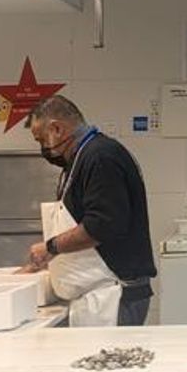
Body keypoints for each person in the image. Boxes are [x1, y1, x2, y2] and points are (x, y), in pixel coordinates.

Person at [23, 95, 156, 326]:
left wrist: (51, 248)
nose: (43, 149)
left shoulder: (101, 158)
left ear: (57, 128)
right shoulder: (81, 158)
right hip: (98, 293)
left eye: (42, 140)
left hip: (114, 295)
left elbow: (102, 225)